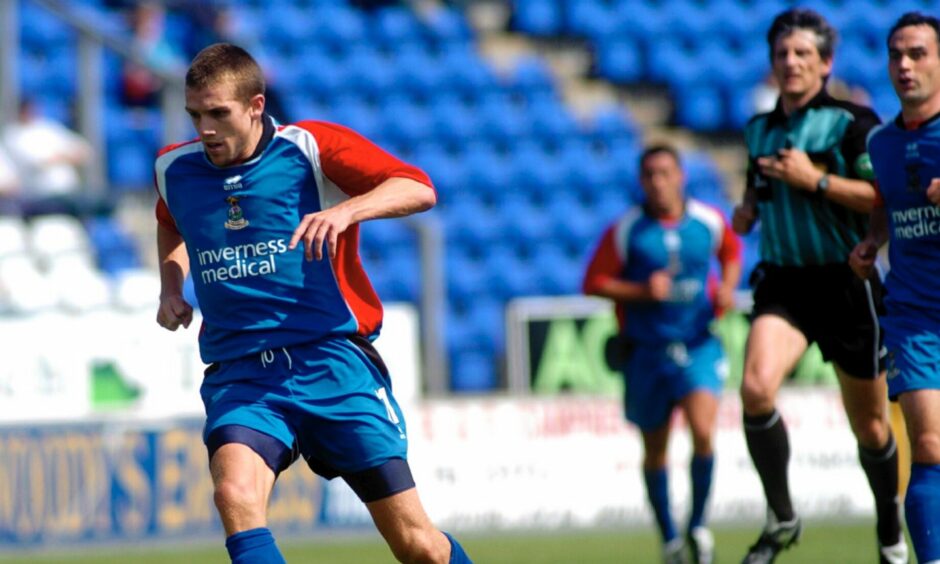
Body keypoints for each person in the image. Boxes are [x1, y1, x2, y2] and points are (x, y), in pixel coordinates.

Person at [154, 43, 471, 564]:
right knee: (234, 495)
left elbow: (417, 188)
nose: (205, 128)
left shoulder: (309, 148)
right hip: (242, 373)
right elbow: (170, 220)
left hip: (332, 362)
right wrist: (171, 285)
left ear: (256, 106)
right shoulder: (175, 168)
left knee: (420, 549)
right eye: (195, 114)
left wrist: (347, 212)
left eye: (218, 114)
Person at [732, 8, 907, 564]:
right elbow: (757, 195)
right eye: (782, 54)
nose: (790, 63)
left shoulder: (852, 123)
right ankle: (782, 514)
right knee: (756, 390)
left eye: (802, 54)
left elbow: (883, 198)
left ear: (825, 63)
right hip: (785, 283)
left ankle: (889, 532)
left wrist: (819, 180)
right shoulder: (759, 129)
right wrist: (746, 211)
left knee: (873, 428)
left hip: (846, 282)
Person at [583, 144, 742, 564]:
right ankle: (670, 538)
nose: (658, 181)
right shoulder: (627, 230)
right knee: (656, 450)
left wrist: (727, 286)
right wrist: (640, 291)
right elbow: (594, 281)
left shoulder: (707, 221)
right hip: (647, 353)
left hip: (699, 344)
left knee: (704, 431)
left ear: (680, 175)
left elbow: (732, 251)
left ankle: (698, 526)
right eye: (650, 174)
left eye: (665, 172)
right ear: (641, 181)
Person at [850, 12, 940, 564]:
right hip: (913, 313)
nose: (904, 66)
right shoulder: (881, 142)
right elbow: (883, 209)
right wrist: (871, 241)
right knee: (928, 445)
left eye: (918, 54)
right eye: (895, 55)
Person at [1, 98, 94, 216]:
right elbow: (37, 162)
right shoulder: (13, 134)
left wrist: (57, 157)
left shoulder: (48, 127)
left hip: (70, 192)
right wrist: (65, 156)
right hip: (41, 197)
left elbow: (85, 151)